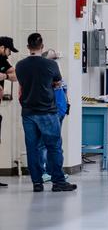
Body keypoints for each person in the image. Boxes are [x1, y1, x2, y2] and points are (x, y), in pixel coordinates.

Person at [14, 33, 74, 193]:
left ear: (28, 47)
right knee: (54, 147)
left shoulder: (20, 65)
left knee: (32, 148)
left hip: (28, 113)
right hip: (47, 111)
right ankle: (58, 182)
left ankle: (37, 183)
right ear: (42, 46)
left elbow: (22, 85)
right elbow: (57, 83)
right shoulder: (51, 64)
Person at [0, 36, 16, 188]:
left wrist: (5, 76)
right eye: (9, 50)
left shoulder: (2, 61)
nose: (10, 53)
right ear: (2, 47)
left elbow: (16, 76)